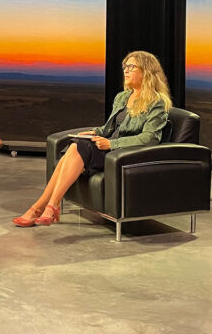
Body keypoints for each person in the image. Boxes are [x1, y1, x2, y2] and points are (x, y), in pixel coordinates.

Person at [12, 50, 173, 227]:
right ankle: (50, 206)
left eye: (132, 67)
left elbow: (150, 139)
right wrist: (94, 132)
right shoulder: (123, 97)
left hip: (124, 155)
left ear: (147, 71)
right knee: (75, 147)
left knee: (76, 150)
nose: (126, 70)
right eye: (125, 66)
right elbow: (108, 128)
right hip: (109, 149)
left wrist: (112, 143)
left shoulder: (157, 102)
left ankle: (41, 208)